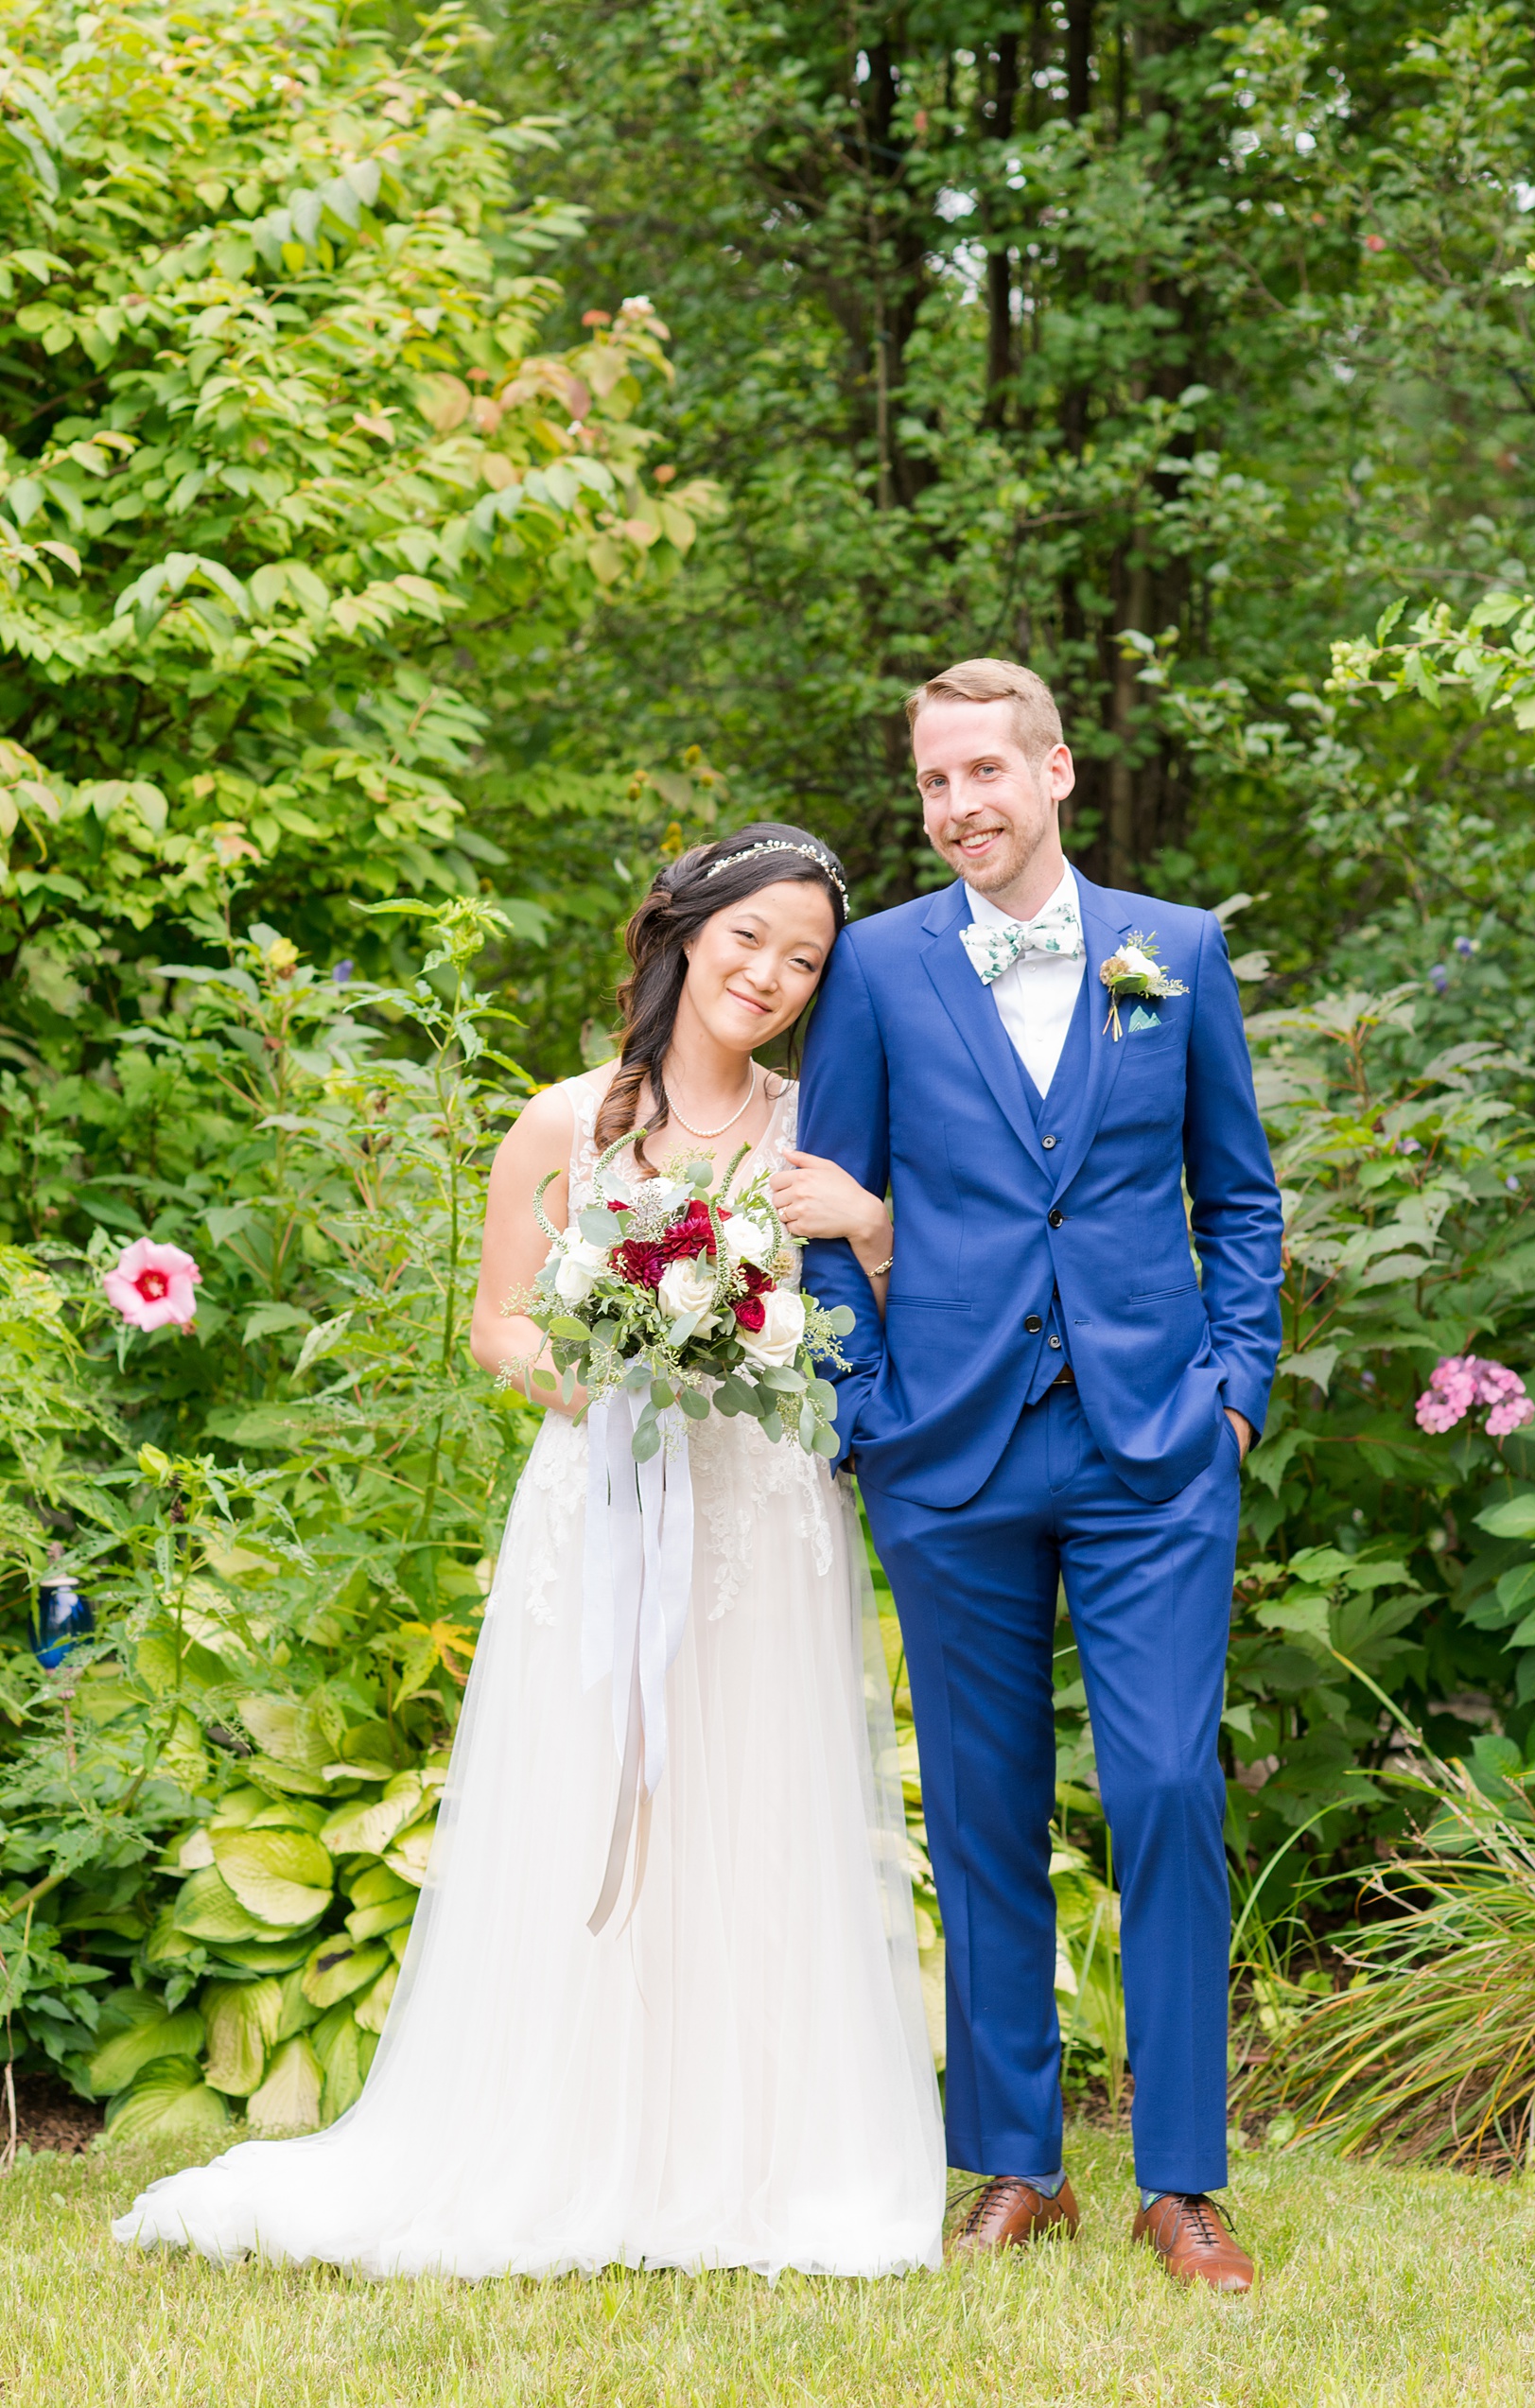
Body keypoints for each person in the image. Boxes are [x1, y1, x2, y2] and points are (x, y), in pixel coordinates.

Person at [113, 824, 945, 2279]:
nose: (771, 972)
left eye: (805, 959)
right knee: (587, 1796)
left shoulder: (817, 1132)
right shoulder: (566, 1121)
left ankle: (750, 2150)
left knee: (757, 1801)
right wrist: (605, 1367)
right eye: (751, 936)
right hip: (605, 1491)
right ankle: (562, 2133)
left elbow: (894, 1304)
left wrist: (872, 1228)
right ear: (685, 929)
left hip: (761, 1508)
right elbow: (498, 1322)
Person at [789, 660, 1283, 2291]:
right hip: (948, 1446)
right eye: (935, 784)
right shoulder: (871, 969)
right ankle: (1013, 2160)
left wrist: (1234, 1394)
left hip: (1154, 1446)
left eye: (988, 770)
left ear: (1057, 770)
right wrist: (866, 1395)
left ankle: (1182, 2177)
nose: (961, 807)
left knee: (1160, 1787)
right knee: (989, 1808)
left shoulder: (1173, 950)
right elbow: (828, 1202)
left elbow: (1243, 1199)